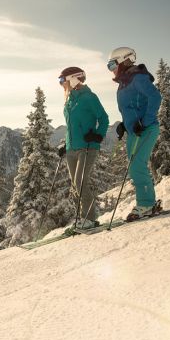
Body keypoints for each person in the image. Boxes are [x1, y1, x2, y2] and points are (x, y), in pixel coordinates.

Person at [107, 47, 162, 221]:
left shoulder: (138, 77)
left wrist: (145, 121)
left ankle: (146, 205)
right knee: (134, 166)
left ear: (123, 61)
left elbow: (155, 97)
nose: (111, 69)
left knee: (138, 165)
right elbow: (132, 106)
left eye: (112, 64)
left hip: (146, 128)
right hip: (134, 131)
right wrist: (125, 124)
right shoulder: (124, 82)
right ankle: (147, 202)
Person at [57, 67, 109, 229]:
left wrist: (97, 136)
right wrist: (66, 144)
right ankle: (84, 217)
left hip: (88, 147)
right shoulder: (70, 99)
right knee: (76, 184)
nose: (61, 85)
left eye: (62, 81)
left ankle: (90, 218)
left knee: (80, 182)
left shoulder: (89, 98)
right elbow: (71, 126)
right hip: (72, 149)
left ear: (73, 79)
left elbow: (104, 118)